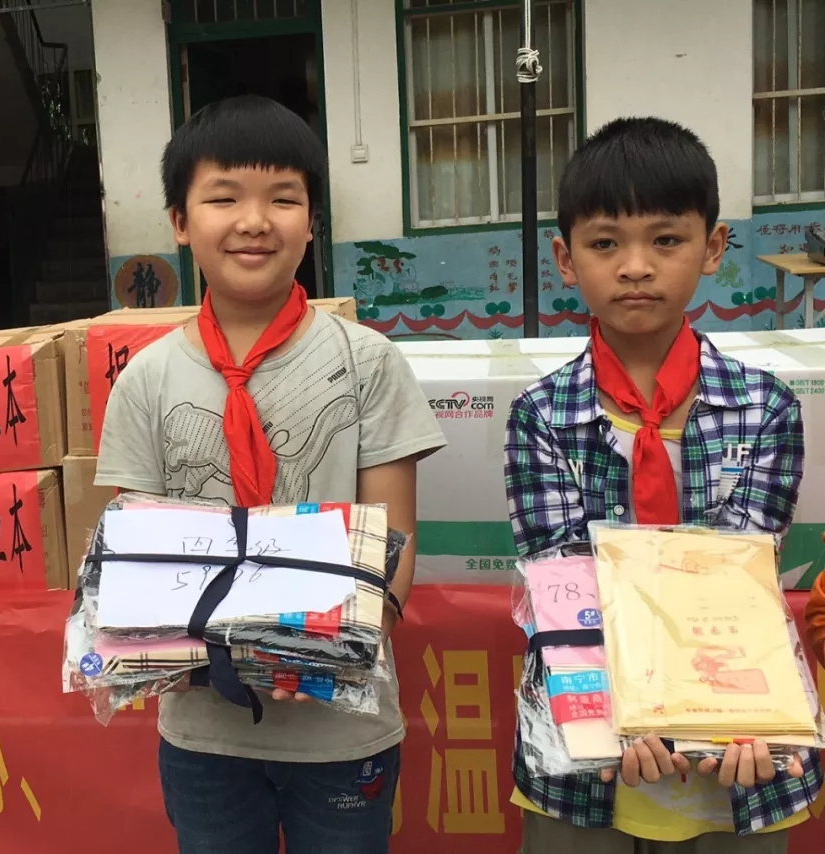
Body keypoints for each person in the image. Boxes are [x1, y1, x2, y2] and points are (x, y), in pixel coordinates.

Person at [94, 94, 447, 854]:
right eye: (224, 198)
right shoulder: (145, 381)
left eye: (283, 198)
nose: (254, 221)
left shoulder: (366, 362)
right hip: (204, 734)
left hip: (341, 729)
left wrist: (327, 656)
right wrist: (185, 654)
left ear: (312, 221)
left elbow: (395, 537)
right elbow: (142, 560)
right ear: (180, 221)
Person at [503, 116, 822, 853]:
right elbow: (564, 584)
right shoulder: (541, 416)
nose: (636, 266)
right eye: (605, 243)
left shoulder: (767, 408)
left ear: (713, 247)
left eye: (666, 239)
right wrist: (620, 719)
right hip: (585, 752)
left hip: (740, 748)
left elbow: (739, 582)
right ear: (565, 258)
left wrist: (730, 722)